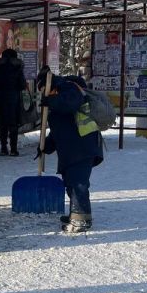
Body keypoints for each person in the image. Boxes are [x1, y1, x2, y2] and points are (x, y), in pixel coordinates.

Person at [38, 75, 104, 233]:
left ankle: (81, 220)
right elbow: (61, 128)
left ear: (50, 87)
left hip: (82, 148)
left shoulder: (69, 87)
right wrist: (46, 146)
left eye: (43, 91)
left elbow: (71, 103)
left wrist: (51, 101)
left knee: (78, 184)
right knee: (71, 183)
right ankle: (77, 215)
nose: (43, 95)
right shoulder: (61, 95)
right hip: (73, 149)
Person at [0, 48, 27, 156]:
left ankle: (3, 148)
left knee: (3, 124)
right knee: (13, 124)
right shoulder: (18, 68)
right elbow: (22, 85)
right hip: (14, 99)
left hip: (1, 98)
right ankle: (13, 149)